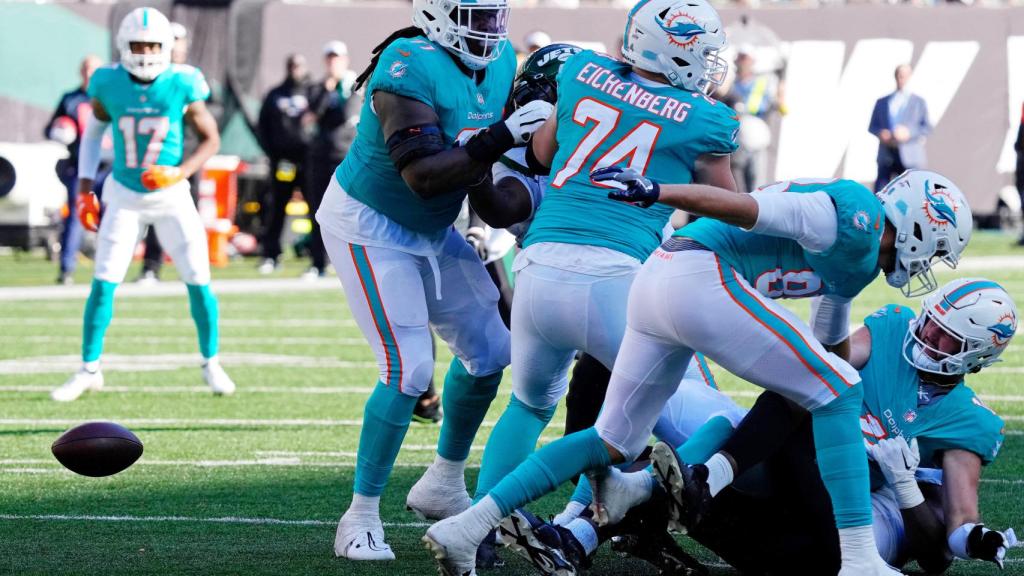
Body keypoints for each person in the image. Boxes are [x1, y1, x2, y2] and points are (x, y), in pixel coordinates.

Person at [427, 156, 974, 575]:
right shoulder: (851, 215)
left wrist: (834, 390)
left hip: (662, 281)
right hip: (701, 272)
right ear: (920, 224)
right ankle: (858, 559)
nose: (927, 263)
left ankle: (469, 525)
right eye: (935, 248)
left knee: (613, 440)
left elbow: (829, 345)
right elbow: (745, 207)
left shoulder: (860, 257)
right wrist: (659, 191)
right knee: (839, 390)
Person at [423, 0, 743, 573]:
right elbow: (727, 208)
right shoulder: (705, 118)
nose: (709, 62)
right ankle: (583, 522)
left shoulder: (581, 72)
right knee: (685, 421)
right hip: (621, 278)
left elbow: (542, 153)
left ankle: (483, 528)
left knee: (528, 405)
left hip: (541, 265)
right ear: (672, 49)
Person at [316, 0, 552, 561]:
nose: (488, 29)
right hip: (371, 224)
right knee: (408, 368)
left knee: (492, 351)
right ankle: (360, 515)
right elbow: (422, 175)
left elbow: (486, 169)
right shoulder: (407, 63)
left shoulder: (501, 61)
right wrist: (498, 137)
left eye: (493, 15)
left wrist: (519, 196)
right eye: (474, 15)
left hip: (434, 227)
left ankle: (444, 481)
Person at [49, 7, 234, 402]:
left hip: (171, 196)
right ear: (123, 46)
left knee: (199, 279)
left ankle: (211, 361)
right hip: (125, 195)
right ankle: (89, 369)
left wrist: (180, 172)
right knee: (103, 281)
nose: (146, 52)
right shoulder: (108, 82)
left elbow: (211, 139)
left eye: (152, 45)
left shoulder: (183, 81)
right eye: (138, 45)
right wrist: (85, 189)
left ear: (166, 46)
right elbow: (92, 134)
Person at [137, 21, 191, 285]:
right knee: (151, 213)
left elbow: (211, 119)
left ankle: (191, 270)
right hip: (157, 158)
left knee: (187, 220)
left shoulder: (191, 78)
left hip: (187, 160)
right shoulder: (153, 79)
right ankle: (151, 266)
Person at [45, 55, 103, 285]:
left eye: (94, 69)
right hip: (79, 166)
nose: (89, 73)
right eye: (86, 69)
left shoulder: (109, 96)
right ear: (81, 71)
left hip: (107, 166)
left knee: (114, 216)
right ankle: (66, 268)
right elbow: (49, 128)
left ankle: (108, 269)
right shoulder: (71, 99)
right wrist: (59, 130)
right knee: (77, 215)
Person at [257, 54, 313, 274]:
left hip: (307, 161)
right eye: (292, 66)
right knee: (277, 208)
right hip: (283, 162)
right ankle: (271, 255)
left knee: (316, 208)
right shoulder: (276, 94)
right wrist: (273, 153)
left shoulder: (312, 92)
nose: (295, 69)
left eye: (298, 65)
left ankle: (319, 256)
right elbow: (262, 126)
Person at [723, 49, 781, 194]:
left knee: (755, 181)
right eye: (740, 59)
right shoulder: (731, 83)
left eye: (745, 59)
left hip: (754, 136)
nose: (741, 63)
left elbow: (776, 105)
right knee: (735, 179)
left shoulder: (762, 83)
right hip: (735, 138)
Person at [869, 65, 931, 192]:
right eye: (899, 76)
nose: (901, 79)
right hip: (887, 155)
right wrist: (881, 133)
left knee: (912, 193)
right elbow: (872, 126)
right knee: (881, 192)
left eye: (905, 76)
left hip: (910, 156)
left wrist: (909, 133)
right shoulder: (882, 102)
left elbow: (926, 127)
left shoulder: (918, 102)